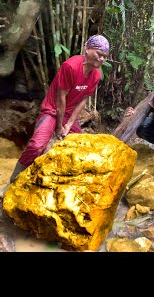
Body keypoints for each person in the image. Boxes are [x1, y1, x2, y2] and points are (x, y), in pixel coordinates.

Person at [0, 35, 109, 198]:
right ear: (87, 49)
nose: (101, 59)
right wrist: (59, 126)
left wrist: (70, 123)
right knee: (37, 146)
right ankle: (11, 183)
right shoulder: (70, 66)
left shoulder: (96, 75)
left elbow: (83, 100)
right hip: (52, 110)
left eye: (105, 56)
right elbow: (61, 98)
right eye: (99, 53)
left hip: (70, 114)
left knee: (80, 148)